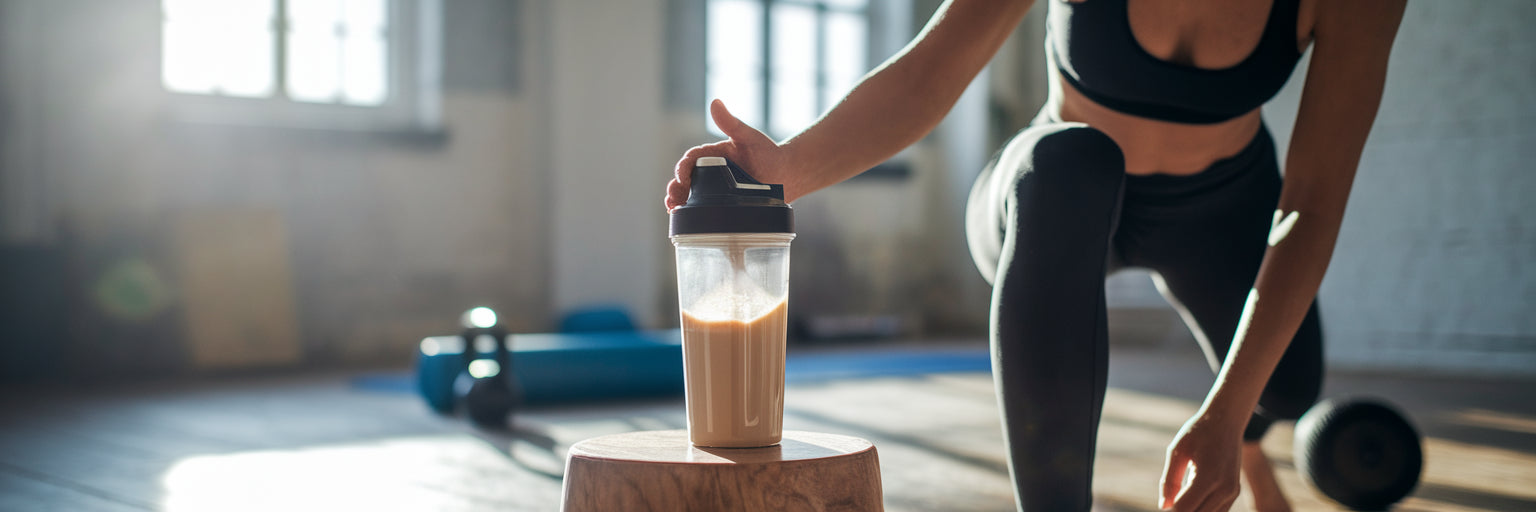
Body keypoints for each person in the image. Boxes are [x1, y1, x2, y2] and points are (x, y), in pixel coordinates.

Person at [664, 0, 1405, 510]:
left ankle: (1244, 440)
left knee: (1288, 388)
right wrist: (786, 169)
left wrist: (1226, 412)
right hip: (1053, 197)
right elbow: (931, 73)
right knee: (1073, 163)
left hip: (1219, 208)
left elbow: (1312, 197)